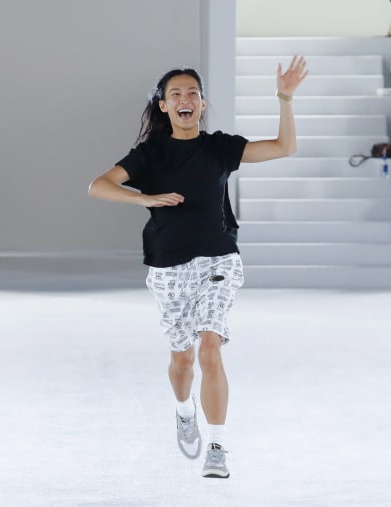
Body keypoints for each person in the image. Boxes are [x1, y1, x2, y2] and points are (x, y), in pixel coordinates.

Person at [87, 58, 309, 478]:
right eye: (176, 94)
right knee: (183, 361)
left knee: (210, 348)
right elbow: (98, 185)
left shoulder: (219, 147)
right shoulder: (150, 154)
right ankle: (183, 410)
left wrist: (285, 97)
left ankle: (218, 447)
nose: (185, 99)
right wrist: (143, 199)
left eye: (192, 93)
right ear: (164, 105)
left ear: (202, 104)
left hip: (218, 257)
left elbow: (284, 147)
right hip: (168, 265)